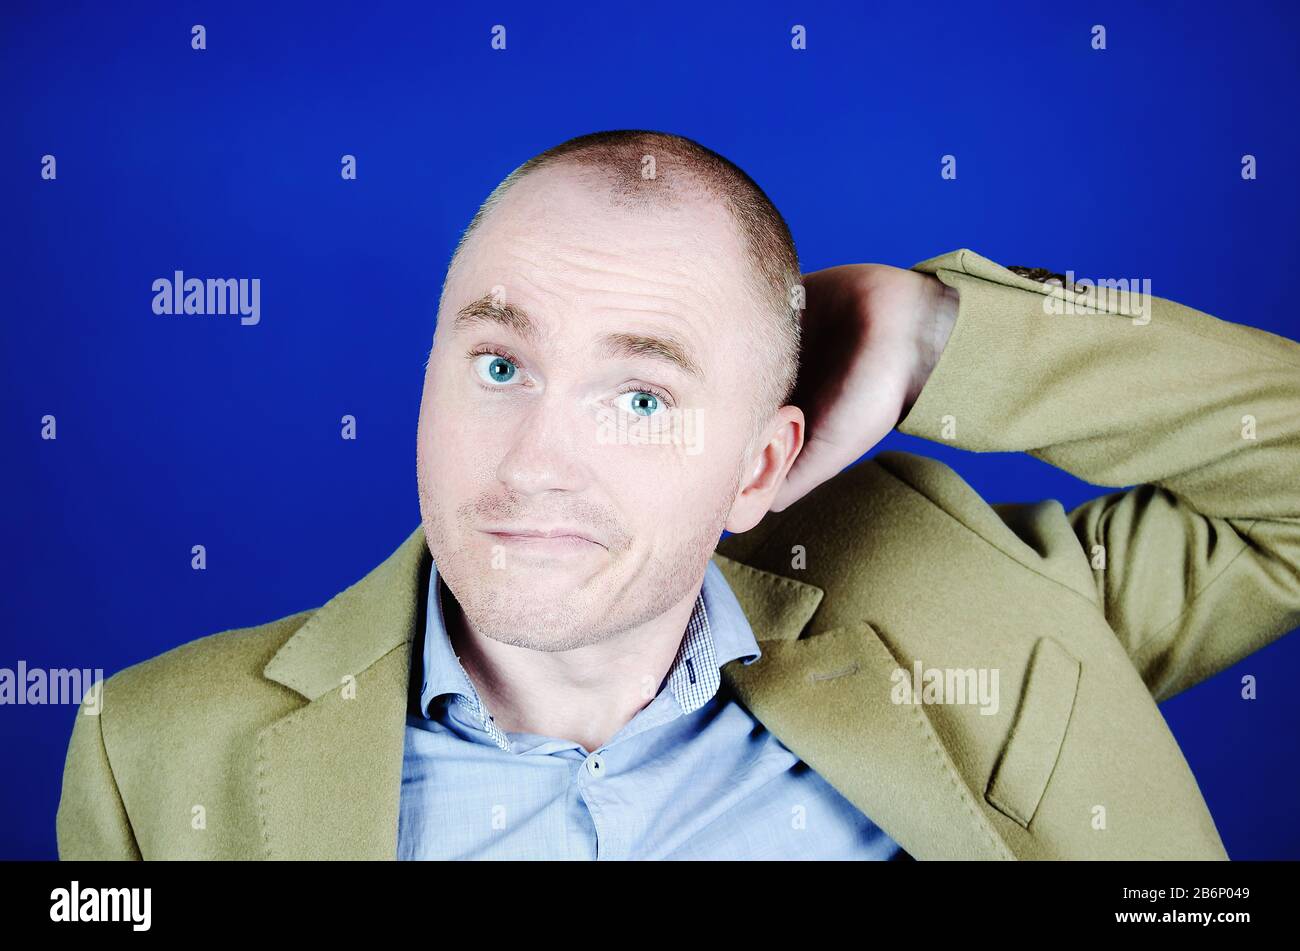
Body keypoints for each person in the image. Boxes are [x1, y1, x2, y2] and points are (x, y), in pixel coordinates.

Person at [57, 130, 1300, 860]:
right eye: (500, 366)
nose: (534, 458)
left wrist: (936, 335)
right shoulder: (154, 756)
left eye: (640, 398)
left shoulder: (976, 617)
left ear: (762, 465)